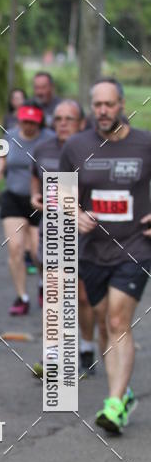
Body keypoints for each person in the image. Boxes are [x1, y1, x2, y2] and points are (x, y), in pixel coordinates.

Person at [59, 78, 151, 433]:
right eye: (96, 104)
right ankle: (123, 394)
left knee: (117, 321)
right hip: (93, 251)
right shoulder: (77, 147)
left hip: (136, 248)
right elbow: (61, 194)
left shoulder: (145, 144)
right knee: (102, 323)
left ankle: (113, 405)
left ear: (122, 104)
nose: (102, 111)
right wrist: (73, 211)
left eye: (109, 104)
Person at [29, 100, 97, 377]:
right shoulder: (43, 150)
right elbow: (36, 185)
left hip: (86, 232)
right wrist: (35, 198)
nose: (63, 123)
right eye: (58, 119)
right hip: (54, 228)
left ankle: (87, 346)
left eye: (70, 118)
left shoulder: (93, 150)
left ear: (82, 123)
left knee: (81, 297)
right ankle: (54, 356)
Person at [0, 101, 53, 315]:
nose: (28, 126)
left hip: (40, 200)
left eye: (32, 123)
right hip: (14, 198)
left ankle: (43, 284)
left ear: (40, 122)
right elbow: (2, 156)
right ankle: (22, 297)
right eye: (24, 121)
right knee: (15, 248)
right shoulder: (10, 136)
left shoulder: (50, 139)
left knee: (39, 251)